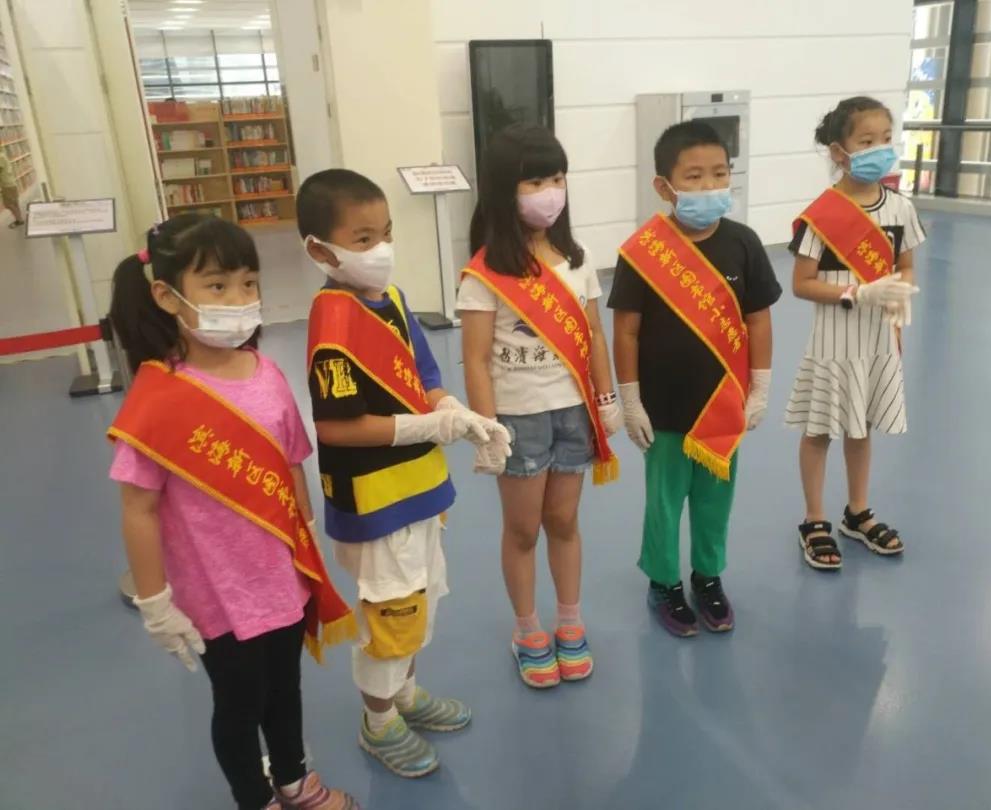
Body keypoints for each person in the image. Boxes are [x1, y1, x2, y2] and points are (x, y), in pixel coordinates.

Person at [107, 214, 359, 810]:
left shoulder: (268, 374)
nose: (239, 299)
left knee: (286, 690)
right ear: (167, 296)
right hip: (218, 593)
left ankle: (295, 780)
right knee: (240, 704)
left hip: (281, 576)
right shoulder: (158, 396)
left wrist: (307, 540)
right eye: (217, 286)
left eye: (248, 283)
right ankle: (255, 798)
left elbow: (291, 464)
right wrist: (155, 603)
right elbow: (138, 508)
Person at [298, 169, 508, 778]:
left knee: (422, 601)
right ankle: (379, 721)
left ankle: (406, 695)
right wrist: (425, 427)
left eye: (386, 233)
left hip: (420, 489)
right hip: (375, 502)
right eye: (363, 239)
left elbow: (426, 372)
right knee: (391, 616)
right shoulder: (332, 320)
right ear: (320, 250)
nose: (381, 249)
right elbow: (335, 428)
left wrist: (455, 411)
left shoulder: (389, 298)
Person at [458, 124, 622, 689]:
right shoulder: (486, 272)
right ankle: (527, 629)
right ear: (505, 190)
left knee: (565, 521)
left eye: (556, 178)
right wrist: (486, 429)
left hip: (574, 411)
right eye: (534, 182)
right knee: (524, 529)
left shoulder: (578, 258)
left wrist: (606, 399)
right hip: (519, 418)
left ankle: (569, 621)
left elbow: (593, 335)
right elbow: (476, 359)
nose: (549, 192)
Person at [609, 121, 782, 637]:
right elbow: (626, 331)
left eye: (719, 174)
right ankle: (663, 582)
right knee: (664, 503)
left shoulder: (744, 243)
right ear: (665, 186)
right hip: (662, 407)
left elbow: (758, 321)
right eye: (694, 176)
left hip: (723, 406)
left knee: (713, 503)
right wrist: (630, 401)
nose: (710, 186)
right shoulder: (642, 251)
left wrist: (760, 387)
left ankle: (708, 577)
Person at [785, 96, 924, 570]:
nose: (880, 149)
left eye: (886, 139)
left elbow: (907, 267)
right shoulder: (822, 215)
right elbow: (802, 283)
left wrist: (900, 292)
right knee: (820, 428)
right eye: (867, 141)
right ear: (839, 152)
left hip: (877, 339)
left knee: (861, 426)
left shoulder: (901, 208)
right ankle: (814, 518)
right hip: (834, 341)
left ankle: (857, 512)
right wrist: (856, 293)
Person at [0, 151, 25, 228]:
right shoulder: (2, 155)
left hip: (7, 184)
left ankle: (19, 220)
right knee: (14, 203)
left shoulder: (0, 157)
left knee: (9, 204)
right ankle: (19, 219)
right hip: (10, 182)